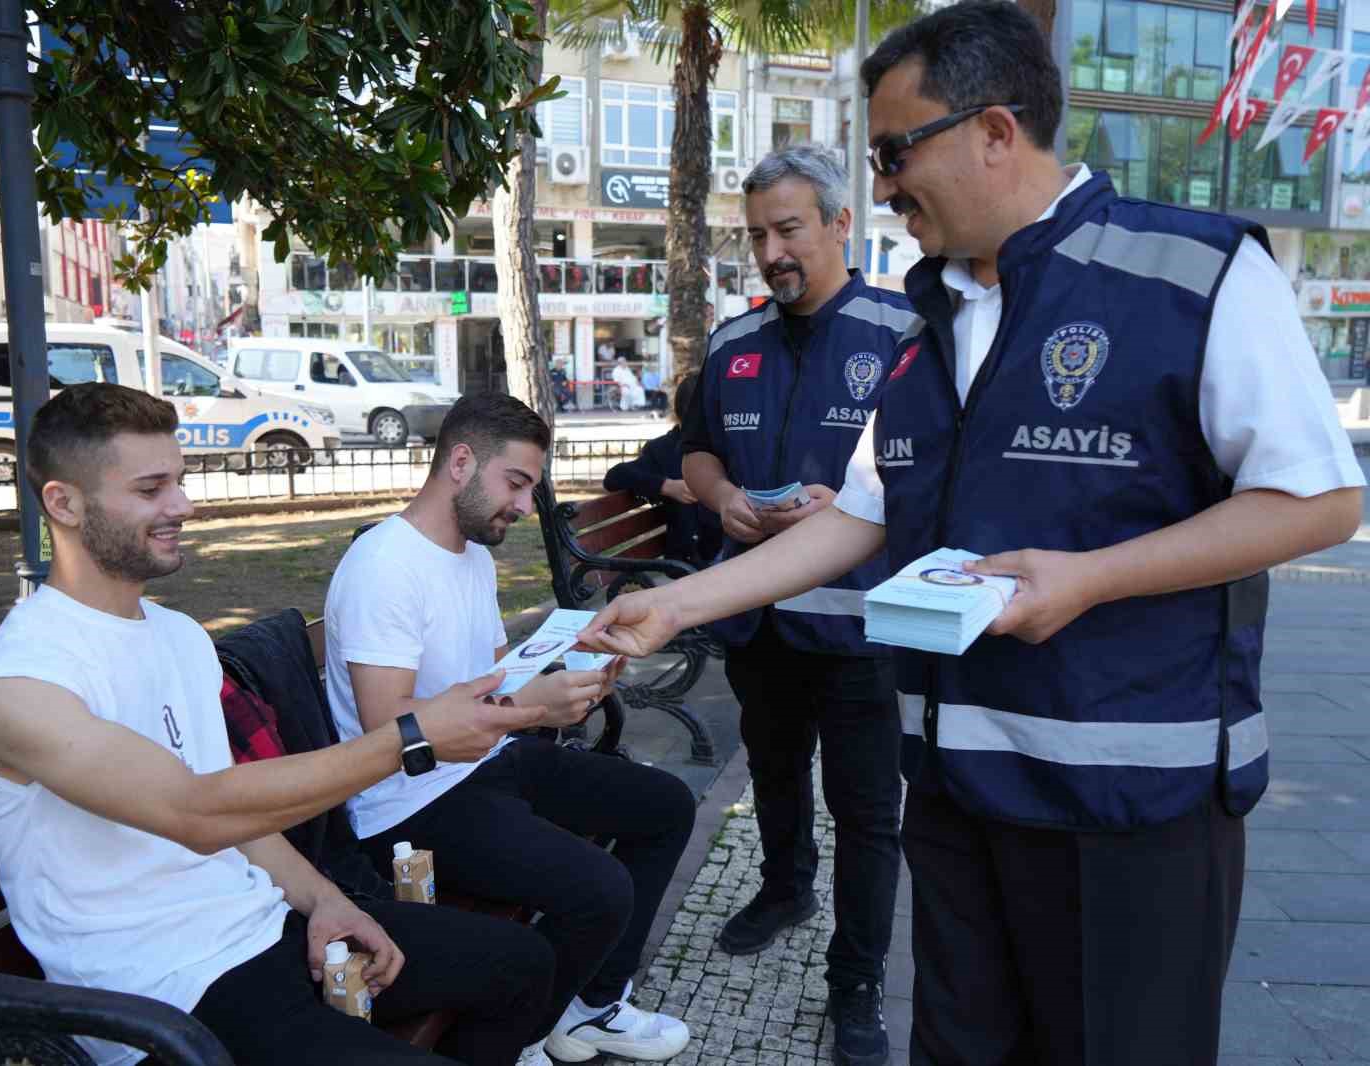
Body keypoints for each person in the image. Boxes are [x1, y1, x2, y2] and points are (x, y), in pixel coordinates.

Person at [575, 4, 1367, 1064]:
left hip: (1127, 808)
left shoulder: (1194, 275)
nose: (885, 184)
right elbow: (860, 514)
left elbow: (1317, 498)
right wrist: (671, 604)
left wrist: (1089, 578)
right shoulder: (926, 324)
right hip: (952, 796)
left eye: (896, 153)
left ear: (995, 131)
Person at [0, 383, 560, 1066]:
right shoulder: (16, 684)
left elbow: (236, 804)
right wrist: (410, 738)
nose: (183, 506)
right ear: (64, 503)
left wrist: (324, 901)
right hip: (164, 1000)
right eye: (151, 489)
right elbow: (195, 812)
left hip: (263, 933)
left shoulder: (177, 636)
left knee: (522, 963)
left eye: (180, 481)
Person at [326, 393, 696, 1065]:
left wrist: (576, 679)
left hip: (485, 760)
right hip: (407, 804)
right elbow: (392, 730)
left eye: (530, 487)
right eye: (517, 483)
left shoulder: (470, 555)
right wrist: (532, 711)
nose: (526, 507)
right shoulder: (384, 564)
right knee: (598, 889)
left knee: (666, 805)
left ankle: (590, 1006)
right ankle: (523, 1034)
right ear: (461, 462)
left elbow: (496, 677)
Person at [676, 143, 915, 1066]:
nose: (773, 251)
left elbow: (931, 473)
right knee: (775, 774)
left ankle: (855, 984)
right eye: (758, 236)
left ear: (840, 224)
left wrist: (858, 510)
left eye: (789, 229)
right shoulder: (734, 344)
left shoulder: (903, 332)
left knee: (866, 816)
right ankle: (785, 888)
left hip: (857, 628)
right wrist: (720, 496)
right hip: (758, 623)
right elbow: (695, 452)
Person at [603, 374, 722, 570]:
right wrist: (667, 486)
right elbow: (614, 478)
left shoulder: (727, 446)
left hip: (727, 551)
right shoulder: (664, 449)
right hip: (692, 560)